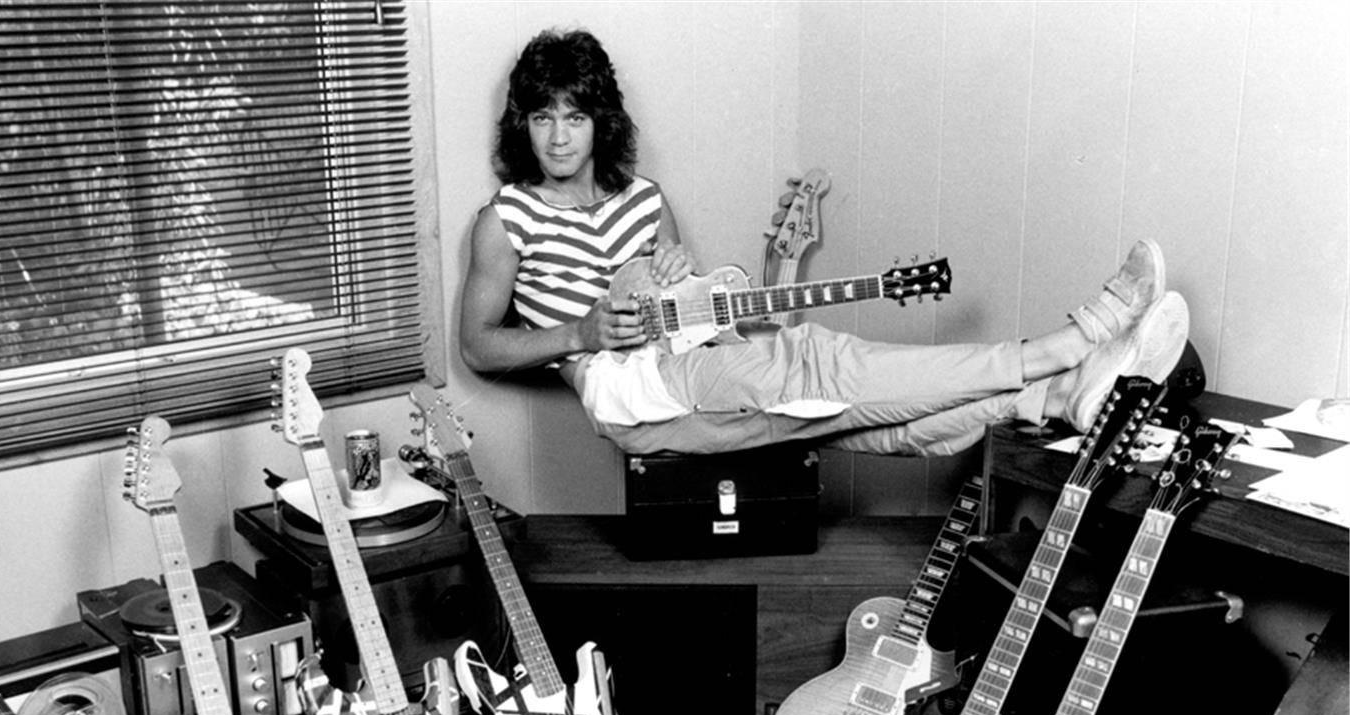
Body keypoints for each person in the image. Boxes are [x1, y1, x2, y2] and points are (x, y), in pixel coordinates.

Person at [459, 29, 1189, 457]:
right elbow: (478, 348)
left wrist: (684, 277)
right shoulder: (507, 219)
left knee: (864, 426)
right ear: (521, 124)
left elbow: (697, 314)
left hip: (696, 365)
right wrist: (580, 329)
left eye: (573, 116)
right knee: (818, 362)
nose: (557, 136)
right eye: (542, 118)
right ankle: (1061, 348)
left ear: (599, 121)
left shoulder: (647, 200)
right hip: (629, 392)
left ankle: (1052, 397)